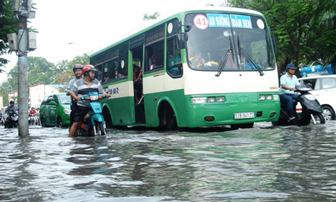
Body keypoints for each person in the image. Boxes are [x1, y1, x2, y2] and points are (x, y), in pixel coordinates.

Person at [68, 65, 110, 137]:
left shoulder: (96, 82)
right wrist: (75, 97)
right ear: (86, 73)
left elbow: (101, 91)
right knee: (75, 123)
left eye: (94, 73)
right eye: (92, 73)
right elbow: (72, 92)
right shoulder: (78, 83)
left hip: (94, 105)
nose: (93, 74)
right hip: (82, 106)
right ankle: (70, 138)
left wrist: (106, 94)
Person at [66, 64, 83, 129]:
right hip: (75, 102)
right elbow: (68, 91)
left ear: (82, 71)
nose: (78, 72)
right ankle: (72, 130)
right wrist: (72, 94)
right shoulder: (72, 82)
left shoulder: (86, 80)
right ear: (74, 72)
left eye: (79, 70)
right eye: (76, 71)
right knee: (73, 115)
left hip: (86, 101)